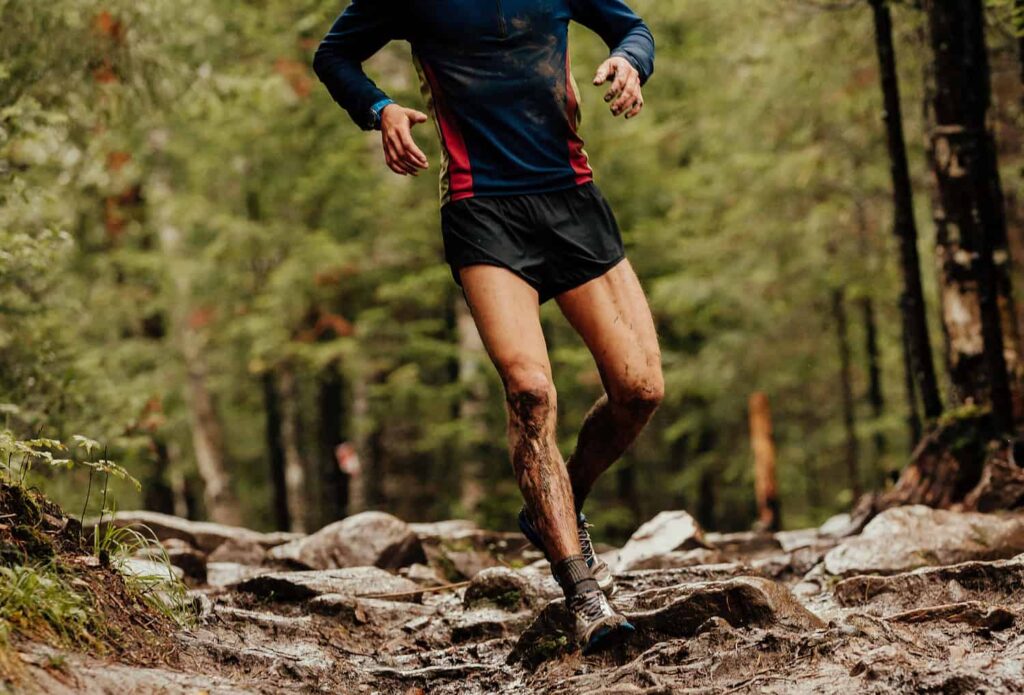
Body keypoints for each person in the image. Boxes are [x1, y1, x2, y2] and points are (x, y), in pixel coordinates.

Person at [313, 0, 662, 654]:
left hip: (572, 195)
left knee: (640, 389)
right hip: (483, 209)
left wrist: (629, 62)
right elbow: (333, 55)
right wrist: (380, 108)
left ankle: (557, 504)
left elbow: (631, 28)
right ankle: (582, 591)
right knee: (530, 391)